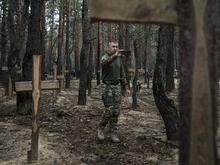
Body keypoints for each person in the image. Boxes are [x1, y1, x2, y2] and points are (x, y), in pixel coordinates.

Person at [97, 41, 131, 143]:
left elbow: (122, 74)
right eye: (113, 46)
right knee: (109, 109)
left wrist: (126, 87)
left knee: (116, 111)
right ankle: (101, 129)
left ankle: (113, 132)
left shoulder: (119, 59)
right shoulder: (105, 57)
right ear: (108, 48)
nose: (115, 48)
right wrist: (114, 56)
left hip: (117, 87)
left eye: (116, 46)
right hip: (107, 86)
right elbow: (103, 63)